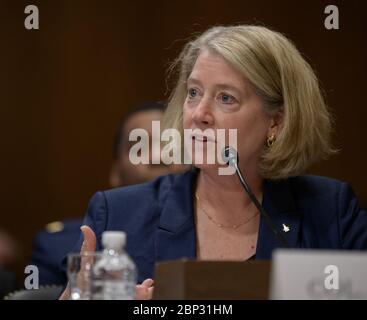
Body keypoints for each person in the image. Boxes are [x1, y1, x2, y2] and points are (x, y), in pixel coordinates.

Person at [60, 25, 367, 300]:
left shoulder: (331, 213)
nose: (198, 114)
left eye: (226, 98)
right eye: (193, 93)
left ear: (275, 122)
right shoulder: (118, 215)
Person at [31, 101, 182, 286]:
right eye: (139, 149)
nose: (159, 157)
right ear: (115, 173)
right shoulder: (55, 247)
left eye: (171, 146)